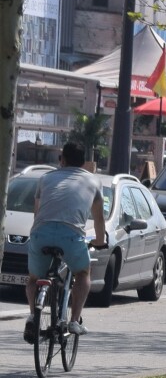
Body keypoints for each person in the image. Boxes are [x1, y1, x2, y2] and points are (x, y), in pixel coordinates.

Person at [24, 141, 108, 341]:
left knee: (33, 279)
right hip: (71, 236)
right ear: (84, 162)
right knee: (82, 272)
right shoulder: (94, 182)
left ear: (62, 159)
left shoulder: (45, 179)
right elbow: (99, 218)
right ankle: (74, 320)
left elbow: (37, 214)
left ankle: (32, 316)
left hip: (40, 233)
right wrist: (98, 240)